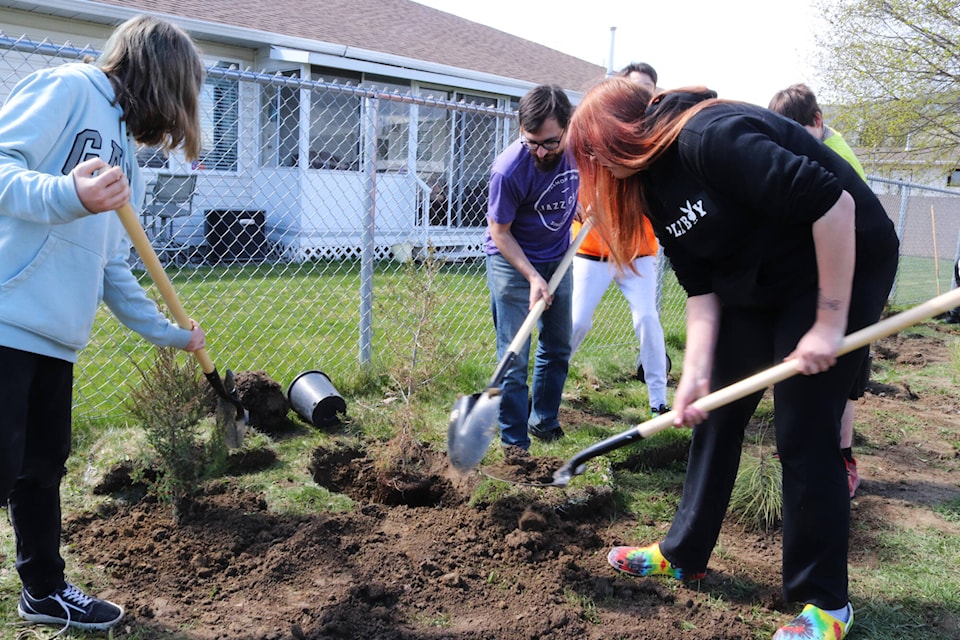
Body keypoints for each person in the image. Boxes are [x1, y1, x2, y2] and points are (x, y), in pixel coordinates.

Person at [567, 78, 898, 640]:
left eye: (592, 154)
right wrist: (693, 375)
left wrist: (828, 321)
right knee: (717, 412)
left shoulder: (709, 137)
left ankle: (825, 604)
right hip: (760, 278)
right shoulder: (649, 185)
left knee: (803, 430)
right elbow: (700, 290)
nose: (591, 170)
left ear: (621, 135)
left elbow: (836, 207)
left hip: (840, 262)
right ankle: (683, 553)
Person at [0, 15, 208, 632]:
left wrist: (173, 334)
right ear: (163, 79)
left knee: (41, 467)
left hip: (56, 336)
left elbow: (116, 266)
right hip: (6, 317)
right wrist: (69, 193)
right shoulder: (66, 89)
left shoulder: (125, 151)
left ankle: (42, 592)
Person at [768, 82, 868, 498]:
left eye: (795, 130)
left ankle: (843, 457)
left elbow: (852, 227)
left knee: (845, 376)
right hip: (811, 278)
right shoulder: (798, 154)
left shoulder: (840, 160)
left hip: (853, 283)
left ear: (817, 122)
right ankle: (806, 447)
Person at [570, 62, 670, 417]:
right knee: (577, 321)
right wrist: (576, 206)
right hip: (592, 249)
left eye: (648, 92)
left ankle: (659, 400)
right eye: (635, 90)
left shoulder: (655, 142)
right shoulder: (595, 131)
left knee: (646, 318)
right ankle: (546, 388)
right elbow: (570, 175)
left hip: (638, 251)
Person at [484, 84, 579, 449]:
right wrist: (532, 276)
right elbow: (500, 231)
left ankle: (545, 421)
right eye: (531, 141)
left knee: (557, 346)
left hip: (559, 257)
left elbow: (575, 185)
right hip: (512, 263)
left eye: (550, 143)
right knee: (514, 353)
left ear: (567, 129)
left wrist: (584, 204)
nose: (540, 151)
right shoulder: (508, 170)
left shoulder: (578, 150)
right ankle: (514, 442)